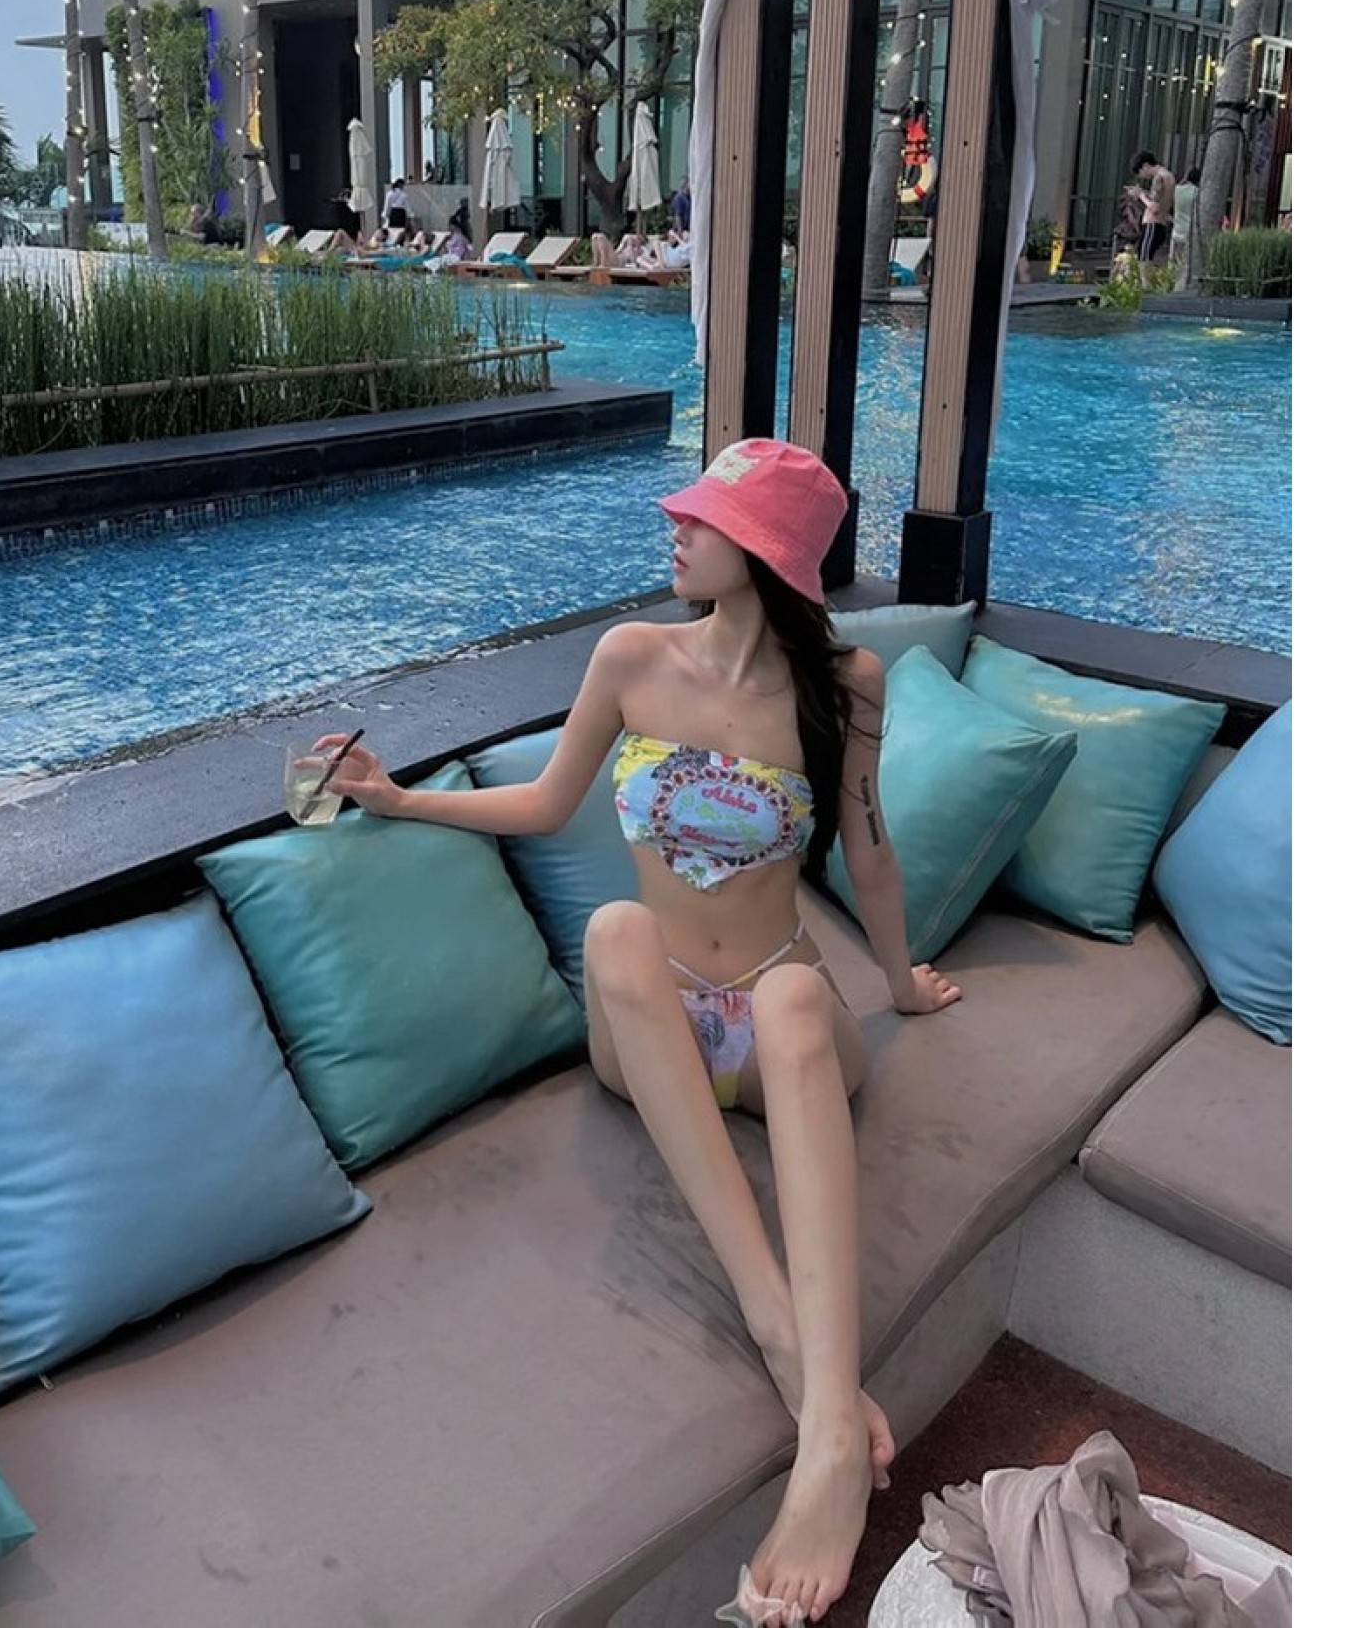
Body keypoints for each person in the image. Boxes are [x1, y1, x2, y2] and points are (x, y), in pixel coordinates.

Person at [321, 438, 961, 1626]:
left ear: (763, 549)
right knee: (617, 930)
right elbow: (546, 802)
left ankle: (830, 1438)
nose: (675, 527)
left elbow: (869, 849)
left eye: (701, 517)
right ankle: (787, 1343)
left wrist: (903, 986)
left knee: (792, 995)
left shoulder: (849, 683)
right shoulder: (631, 656)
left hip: (779, 1025)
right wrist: (399, 797)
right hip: (652, 1029)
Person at [1130, 150, 1176, 266]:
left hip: (1153, 223)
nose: (1142, 176)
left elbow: (1154, 207)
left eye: (1140, 172)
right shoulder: (1169, 176)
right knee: (1147, 255)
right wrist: (1143, 193)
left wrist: (1141, 196)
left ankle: (1145, 279)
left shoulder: (1158, 178)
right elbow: (1160, 198)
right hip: (1161, 222)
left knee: (1144, 257)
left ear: (1145, 166)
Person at [1170, 166, 1201, 281]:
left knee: (1173, 263)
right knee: (1186, 265)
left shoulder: (1177, 190)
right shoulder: (1197, 193)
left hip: (1176, 230)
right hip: (1189, 233)